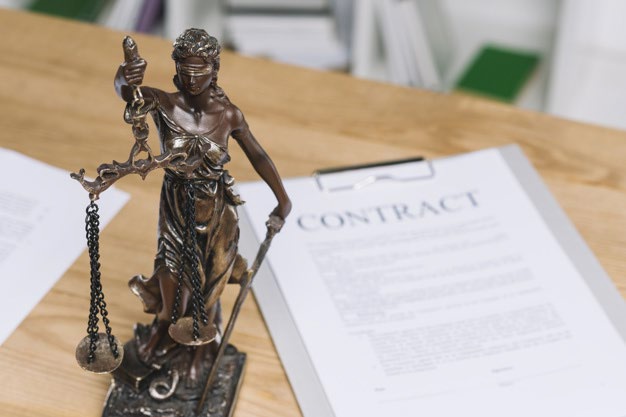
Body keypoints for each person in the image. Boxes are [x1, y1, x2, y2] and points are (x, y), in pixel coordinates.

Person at [113, 28, 291, 383]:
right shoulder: (163, 103)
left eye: (201, 70)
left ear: (215, 69)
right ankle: (165, 335)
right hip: (176, 207)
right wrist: (124, 76)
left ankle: (198, 353)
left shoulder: (229, 115)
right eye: (186, 69)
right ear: (176, 69)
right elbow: (128, 94)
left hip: (217, 214)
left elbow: (258, 155)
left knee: (207, 292)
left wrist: (283, 200)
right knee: (172, 287)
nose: (193, 78)